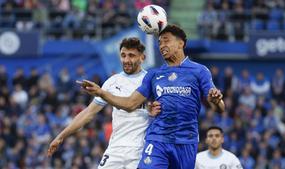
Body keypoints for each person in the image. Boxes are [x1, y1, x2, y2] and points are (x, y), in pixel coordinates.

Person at [79, 24, 225, 169]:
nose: (162, 45)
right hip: (157, 139)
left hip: (186, 141)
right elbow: (130, 103)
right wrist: (101, 92)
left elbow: (219, 107)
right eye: (159, 42)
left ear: (181, 43)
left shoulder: (199, 71)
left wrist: (216, 101)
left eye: (166, 40)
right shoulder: (153, 75)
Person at [47, 37, 160, 169]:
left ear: (142, 57)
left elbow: (135, 106)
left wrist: (153, 112)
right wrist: (61, 136)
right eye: (123, 55)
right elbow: (88, 113)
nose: (126, 60)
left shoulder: (151, 81)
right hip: (115, 149)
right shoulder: (112, 82)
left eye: (131, 55)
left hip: (141, 149)